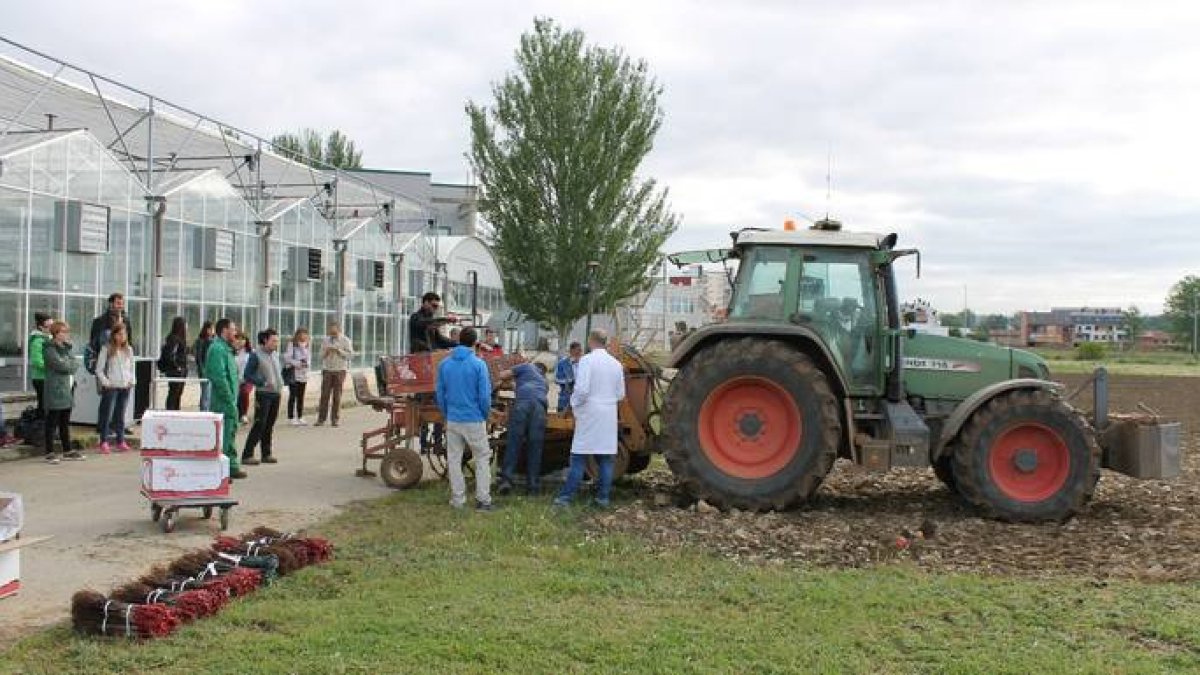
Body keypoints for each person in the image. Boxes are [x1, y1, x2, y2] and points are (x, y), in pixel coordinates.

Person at [554, 330, 626, 508]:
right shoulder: (616, 364)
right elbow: (620, 394)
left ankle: (565, 498)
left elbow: (582, 390)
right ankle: (603, 498)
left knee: (578, 456)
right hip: (608, 414)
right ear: (605, 341)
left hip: (590, 413)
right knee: (606, 458)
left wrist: (573, 404)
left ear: (590, 341)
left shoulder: (586, 361)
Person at [434, 327, 494, 511]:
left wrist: (446, 413)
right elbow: (484, 396)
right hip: (474, 418)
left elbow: (440, 394)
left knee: (453, 458)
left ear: (459, 340)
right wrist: (485, 415)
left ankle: (458, 500)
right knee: (482, 457)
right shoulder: (478, 364)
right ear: (475, 342)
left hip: (453, 418)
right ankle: (483, 499)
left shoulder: (444, 364)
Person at [497, 361, 548, 496]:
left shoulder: (526, 366)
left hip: (522, 405)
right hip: (539, 408)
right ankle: (532, 487)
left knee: (514, 443)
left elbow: (502, 375)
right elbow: (527, 390)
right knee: (535, 447)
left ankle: (506, 481)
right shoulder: (543, 381)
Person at [205, 318, 247, 479]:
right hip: (222, 400)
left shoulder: (226, 349)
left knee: (230, 433)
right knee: (223, 436)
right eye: (233, 329)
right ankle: (221, 472)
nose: (235, 332)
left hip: (230, 399)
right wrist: (229, 398)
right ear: (224, 331)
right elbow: (219, 377)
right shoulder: (217, 349)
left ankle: (231, 465)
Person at [42, 321, 84, 464]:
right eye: (64, 332)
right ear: (56, 333)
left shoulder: (67, 348)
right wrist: (69, 364)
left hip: (67, 388)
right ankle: (49, 452)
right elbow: (60, 364)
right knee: (52, 421)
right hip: (55, 388)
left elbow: (75, 363)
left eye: (67, 331)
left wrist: (69, 364)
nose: (67, 334)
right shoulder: (49, 348)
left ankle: (67, 450)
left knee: (65, 421)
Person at [242, 329, 283, 466]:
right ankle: (247, 454)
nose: (276, 343)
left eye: (277, 341)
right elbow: (248, 374)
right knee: (260, 423)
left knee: (270, 424)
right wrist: (262, 382)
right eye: (274, 341)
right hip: (263, 394)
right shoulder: (256, 355)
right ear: (265, 340)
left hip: (276, 393)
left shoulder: (275, 355)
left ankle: (266, 453)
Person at [95, 323, 135, 453]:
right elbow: (99, 370)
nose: (122, 336)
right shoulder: (106, 349)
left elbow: (132, 368)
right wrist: (106, 382)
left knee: (121, 415)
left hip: (125, 386)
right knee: (107, 414)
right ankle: (104, 441)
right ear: (114, 335)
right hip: (112, 387)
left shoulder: (128, 349)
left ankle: (120, 440)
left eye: (124, 334)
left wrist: (132, 380)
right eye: (119, 334)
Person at [316, 322, 353, 427]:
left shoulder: (345, 340)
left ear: (338, 330)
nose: (332, 333)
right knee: (324, 395)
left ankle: (335, 419)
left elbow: (350, 355)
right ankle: (321, 419)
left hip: (339, 370)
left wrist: (339, 351)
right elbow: (320, 355)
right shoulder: (325, 340)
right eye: (330, 331)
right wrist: (326, 352)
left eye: (334, 332)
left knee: (337, 395)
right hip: (327, 370)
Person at [158, 317, 189, 411]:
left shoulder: (178, 339)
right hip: (176, 371)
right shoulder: (174, 339)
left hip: (180, 370)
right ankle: (171, 411)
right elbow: (170, 355)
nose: (187, 327)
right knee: (174, 392)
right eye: (185, 325)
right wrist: (177, 367)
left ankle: (175, 411)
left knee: (177, 393)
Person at [89, 292, 133, 357]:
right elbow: (93, 342)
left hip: (122, 357)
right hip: (105, 356)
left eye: (122, 304)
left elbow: (129, 340)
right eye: (118, 303)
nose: (121, 306)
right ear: (111, 304)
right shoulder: (99, 321)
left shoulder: (126, 321)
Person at [283, 328, 311, 426]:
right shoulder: (292, 345)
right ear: (298, 335)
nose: (304, 336)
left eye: (305, 334)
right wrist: (298, 363)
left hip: (303, 374)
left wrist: (306, 364)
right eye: (302, 334)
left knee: (301, 396)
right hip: (294, 374)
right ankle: (291, 417)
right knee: (293, 396)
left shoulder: (307, 345)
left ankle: (300, 416)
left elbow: (308, 358)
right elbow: (287, 358)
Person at [27, 312, 52, 417]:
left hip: (46, 377)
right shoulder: (37, 341)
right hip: (40, 378)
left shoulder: (48, 338)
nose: (51, 328)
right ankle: (40, 427)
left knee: (46, 404)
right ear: (41, 327)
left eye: (53, 325)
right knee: (43, 404)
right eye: (49, 326)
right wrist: (53, 367)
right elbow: (37, 361)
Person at [555, 342, 583, 412]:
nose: (579, 353)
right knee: (562, 420)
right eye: (577, 351)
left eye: (580, 351)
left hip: (580, 400)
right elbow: (557, 379)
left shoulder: (585, 362)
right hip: (565, 398)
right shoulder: (562, 363)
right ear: (571, 351)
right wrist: (570, 380)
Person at [194, 321, 215, 411]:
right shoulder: (202, 341)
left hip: (210, 370)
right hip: (204, 371)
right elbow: (199, 357)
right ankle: (204, 411)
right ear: (207, 329)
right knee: (205, 392)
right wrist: (202, 370)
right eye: (212, 329)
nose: (213, 331)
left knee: (208, 392)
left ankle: (206, 409)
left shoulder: (212, 341)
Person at [235, 333, 253, 424]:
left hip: (247, 378)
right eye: (238, 339)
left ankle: (244, 414)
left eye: (242, 339)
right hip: (235, 378)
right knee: (237, 396)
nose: (240, 341)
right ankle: (238, 414)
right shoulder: (232, 352)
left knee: (244, 393)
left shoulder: (249, 353)